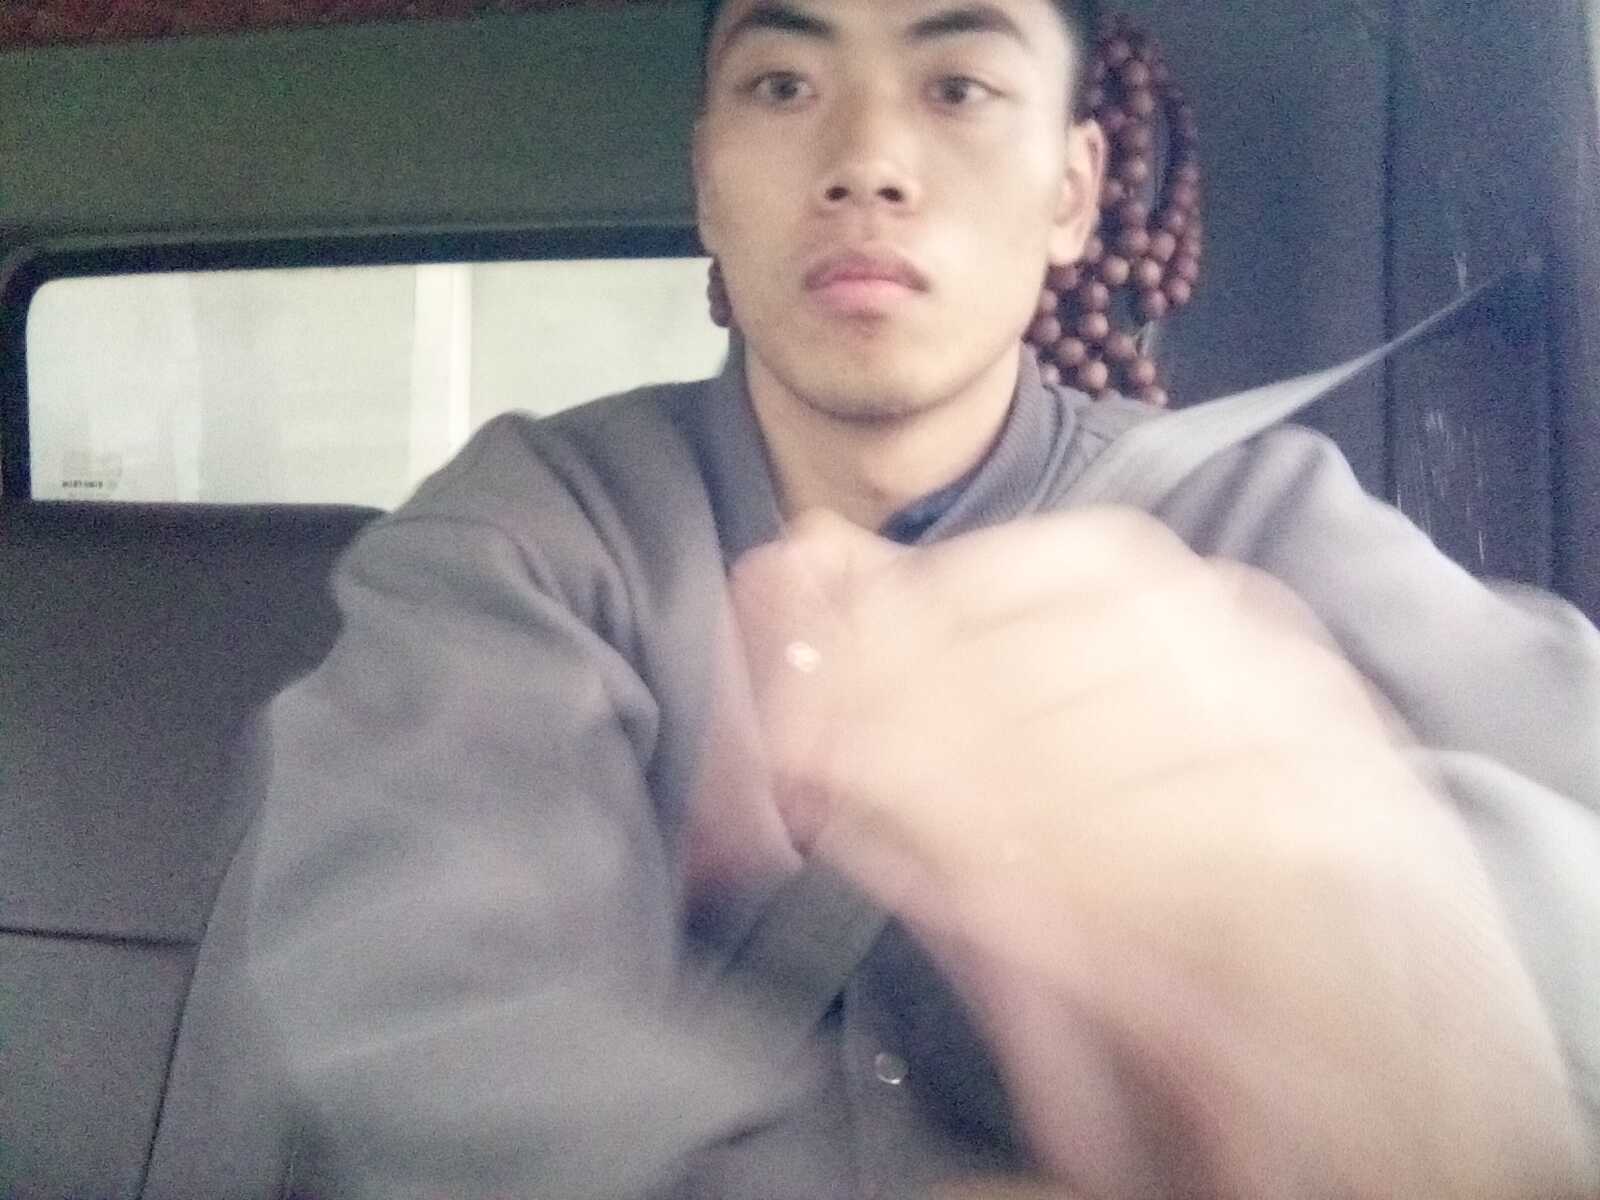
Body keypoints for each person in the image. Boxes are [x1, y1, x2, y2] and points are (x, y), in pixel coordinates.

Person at [244, 0, 1600, 1196]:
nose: (868, 161)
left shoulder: (1258, 524)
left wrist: (1382, 892)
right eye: (784, 84)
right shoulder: (532, 536)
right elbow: (429, 1011)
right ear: (708, 181)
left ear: (1072, 190)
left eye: (958, 86)